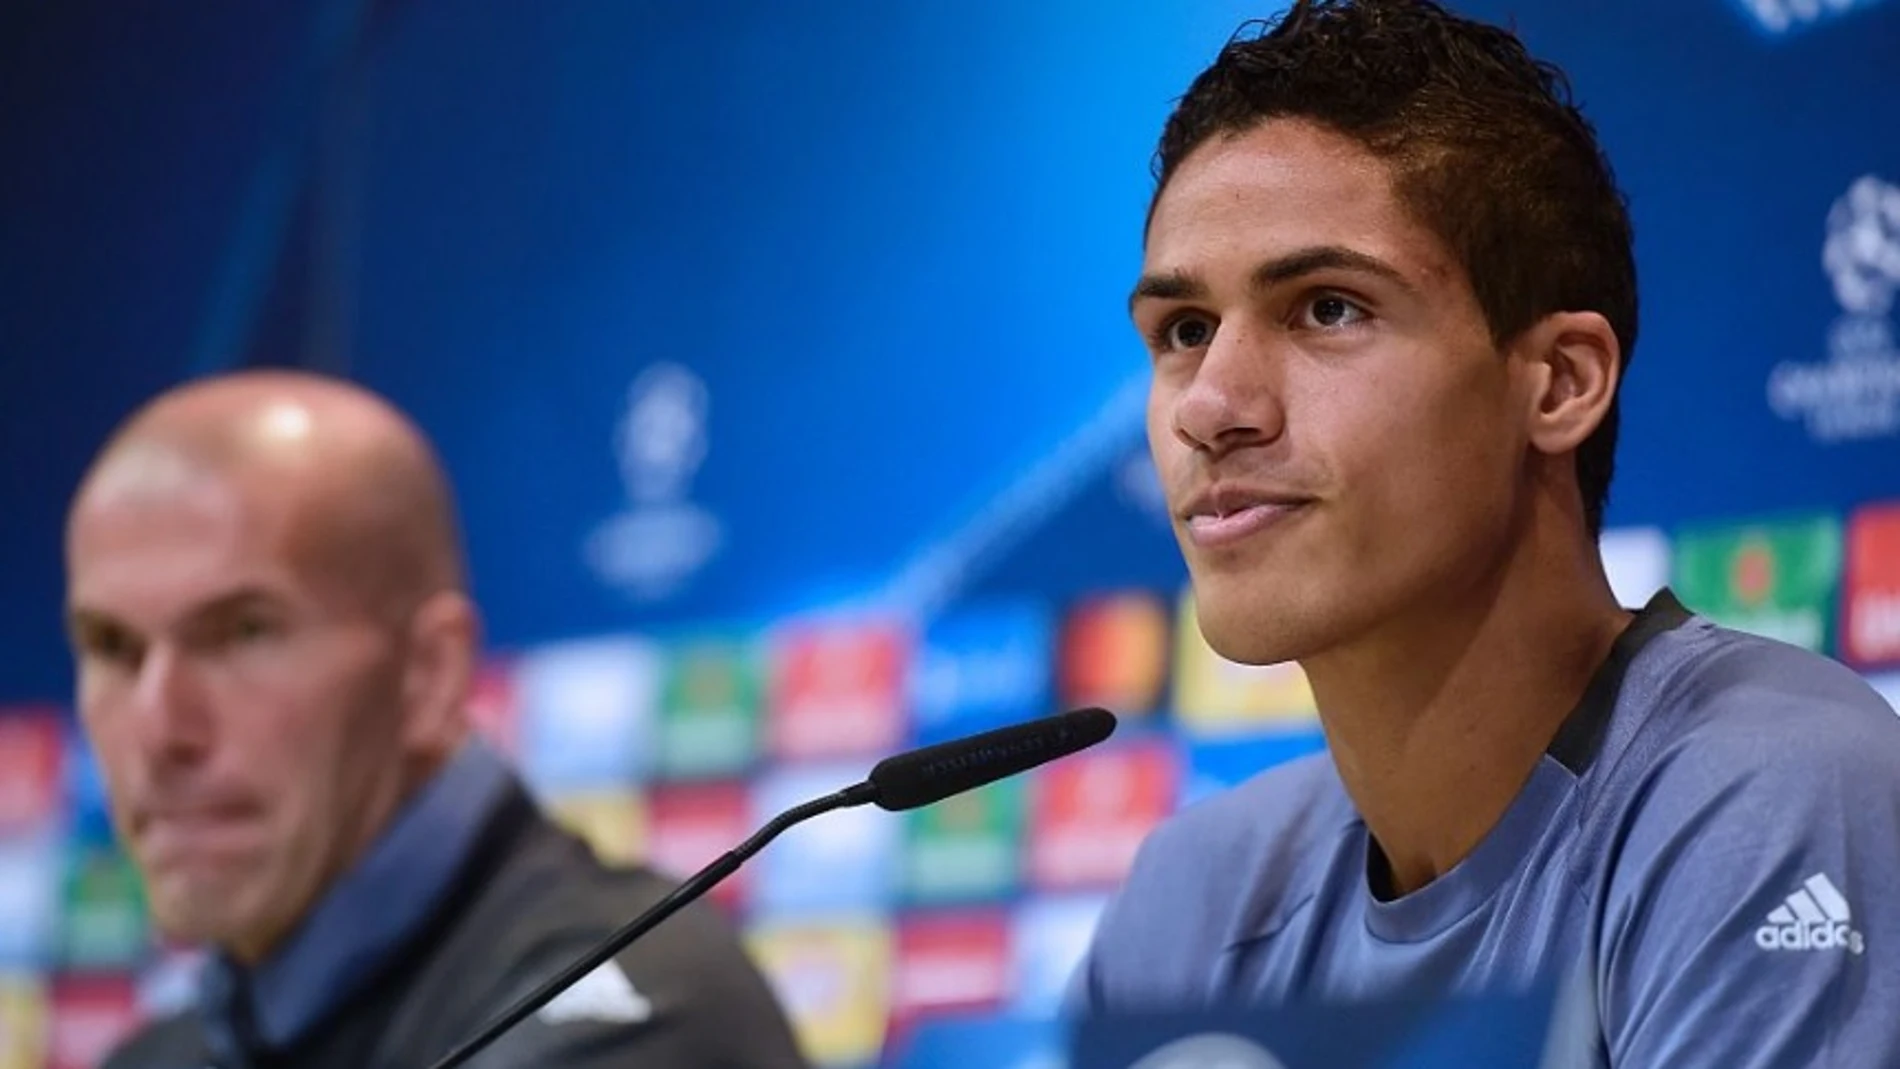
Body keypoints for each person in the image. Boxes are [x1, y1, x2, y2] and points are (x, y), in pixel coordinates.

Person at [1074, 1, 1900, 1066]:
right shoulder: (1191, 905)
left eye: (1327, 308)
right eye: (1184, 331)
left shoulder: (1767, 791)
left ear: (1557, 383)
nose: (1212, 404)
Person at [64, 370, 809, 1069]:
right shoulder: (162, 1054)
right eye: (112, 646)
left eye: (245, 633)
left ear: (428, 674)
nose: (158, 730)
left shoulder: (636, 1014)